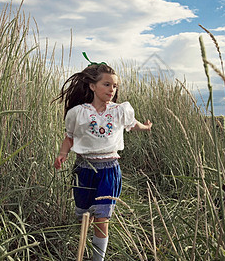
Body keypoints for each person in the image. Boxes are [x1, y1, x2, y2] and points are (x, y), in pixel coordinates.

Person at [53, 53, 152, 261]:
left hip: (109, 171)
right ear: (92, 86)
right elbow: (69, 138)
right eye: (107, 84)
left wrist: (145, 127)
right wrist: (62, 154)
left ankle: (98, 259)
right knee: (84, 218)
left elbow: (133, 124)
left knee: (102, 218)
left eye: (114, 86)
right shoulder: (78, 113)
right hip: (83, 170)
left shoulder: (119, 111)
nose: (111, 90)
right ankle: (80, 253)